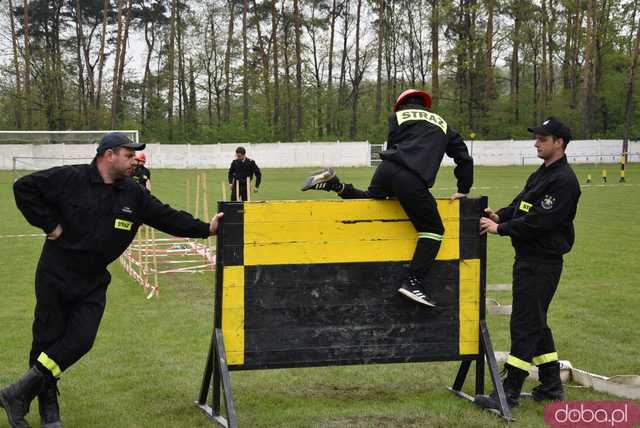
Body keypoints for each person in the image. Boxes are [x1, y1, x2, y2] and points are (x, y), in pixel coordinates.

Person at [1, 132, 223, 428]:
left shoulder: (134, 194)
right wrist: (50, 225)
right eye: (129, 155)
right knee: (46, 340)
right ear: (108, 155)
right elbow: (23, 188)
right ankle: (47, 408)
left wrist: (206, 228)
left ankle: (16, 394)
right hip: (56, 273)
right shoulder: (70, 178)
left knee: (81, 340)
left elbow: (167, 216)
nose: (135, 161)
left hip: (92, 280)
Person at [302, 89, 473, 307]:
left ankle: (335, 184)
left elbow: (394, 144)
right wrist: (463, 187)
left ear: (401, 105)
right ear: (426, 105)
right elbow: (464, 158)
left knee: (370, 200)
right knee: (433, 231)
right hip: (412, 178)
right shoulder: (443, 124)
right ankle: (413, 282)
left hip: (386, 169)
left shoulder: (397, 117)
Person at [475, 117, 581, 411]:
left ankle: (508, 392)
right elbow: (521, 204)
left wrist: (501, 229)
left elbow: (540, 222)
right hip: (529, 260)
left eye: (543, 139)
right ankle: (550, 386)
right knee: (536, 322)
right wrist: (499, 216)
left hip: (542, 262)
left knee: (524, 324)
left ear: (559, 143)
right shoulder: (542, 173)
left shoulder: (564, 181)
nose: (536, 143)